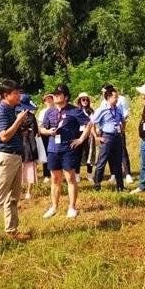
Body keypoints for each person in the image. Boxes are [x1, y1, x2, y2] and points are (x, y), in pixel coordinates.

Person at [0, 80, 31, 245]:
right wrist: (18, 121)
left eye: (19, 92)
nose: (19, 95)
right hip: (5, 157)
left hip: (15, 156)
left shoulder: (11, 109)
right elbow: (4, 136)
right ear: (6, 95)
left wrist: (22, 126)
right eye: (15, 93)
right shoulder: (1, 111)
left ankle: (12, 230)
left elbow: (13, 132)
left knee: (13, 197)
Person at [40, 84, 91, 219]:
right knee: (55, 179)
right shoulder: (49, 111)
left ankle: (72, 207)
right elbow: (41, 128)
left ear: (66, 97)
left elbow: (89, 123)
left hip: (68, 149)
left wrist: (80, 139)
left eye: (59, 93)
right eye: (54, 94)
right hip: (53, 149)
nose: (55, 95)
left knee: (70, 178)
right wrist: (47, 131)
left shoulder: (75, 110)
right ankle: (54, 207)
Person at [91, 85, 126, 192]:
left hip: (117, 137)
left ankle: (120, 186)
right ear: (109, 97)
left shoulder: (118, 108)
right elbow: (92, 123)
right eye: (115, 97)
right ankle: (97, 184)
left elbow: (123, 120)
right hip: (106, 137)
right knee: (102, 161)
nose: (117, 99)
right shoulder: (102, 109)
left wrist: (122, 131)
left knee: (118, 161)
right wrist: (97, 137)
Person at [100, 84, 133, 185]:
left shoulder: (122, 99)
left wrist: (120, 122)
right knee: (109, 153)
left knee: (122, 151)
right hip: (107, 131)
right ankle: (113, 174)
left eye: (104, 91)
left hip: (118, 128)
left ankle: (127, 174)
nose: (103, 93)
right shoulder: (103, 102)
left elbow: (126, 112)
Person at [17, 94, 39, 200]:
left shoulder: (15, 116)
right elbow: (35, 132)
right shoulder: (31, 116)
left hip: (18, 144)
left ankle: (18, 190)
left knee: (18, 168)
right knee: (30, 167)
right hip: (30, 143)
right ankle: (28, 192)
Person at [75, 92, 96, 184]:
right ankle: (77, 175)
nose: (85, 101)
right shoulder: (76, 111)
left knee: (89, 154)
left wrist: (93, 133)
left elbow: (93, 123)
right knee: (77, 154)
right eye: (83, 99)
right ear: (80, 101)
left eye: (87, 99)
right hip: (78, 133)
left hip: (89, 134)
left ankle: (89, 174)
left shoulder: (91, 111)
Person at [37, 94, 53, 183]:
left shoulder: (57, 109)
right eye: (47, 99)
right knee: (45, 154)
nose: (49, 100)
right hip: (45, 135)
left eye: (50, 98)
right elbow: (39, 124)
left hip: (55, 135)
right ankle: (46, 174)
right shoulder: (42, 112)